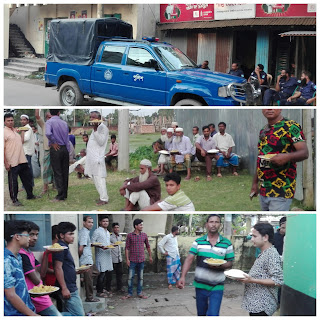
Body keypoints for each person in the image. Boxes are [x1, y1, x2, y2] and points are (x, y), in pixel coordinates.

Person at [250, 109, 308, 211]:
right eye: (266, 107)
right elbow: (260, 157)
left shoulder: (291, 126)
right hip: (264, 188)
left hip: (282, 189)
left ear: (280, 108)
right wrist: (255, 183)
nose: (269, 109)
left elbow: (304, 153)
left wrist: (287, 157)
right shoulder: (263, 130)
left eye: (273, 107)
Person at [178, 214, 235, 316]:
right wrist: (182, 276)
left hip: (217, 285)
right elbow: (189, 259)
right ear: (206, 224)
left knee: (213, 314)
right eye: (211, 222)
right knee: (201, 314)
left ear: (220, 225)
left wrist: (220, 266)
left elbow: (230, 262)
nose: (214, 224)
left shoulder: (227, 243)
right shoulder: (198, 242)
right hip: (200, 285)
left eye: (216, 222)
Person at [240, 223, 283, 316]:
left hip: (263, 306)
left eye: (254, 236)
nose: (252, 239)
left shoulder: (271, 254)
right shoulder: (265, 252)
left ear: (265, 237)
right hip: (256, 305)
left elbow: (278, 280)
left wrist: (252, 280)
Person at [19, 222, 61, 316]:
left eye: (37, 235)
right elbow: (36, 280)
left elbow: (42, 272)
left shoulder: (29, 253)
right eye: (31, 235)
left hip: (40, 296)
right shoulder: (22, 254)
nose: (35, 238)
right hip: (35, 297)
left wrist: (47, 253)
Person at [4, 220, 39, 316]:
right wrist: (33, 315)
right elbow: (11, 295)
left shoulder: (18, 257)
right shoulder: (5, 260)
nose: (30, 238)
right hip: (13, 314)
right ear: (17, 236)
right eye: (28, 235)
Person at [4, 113, 38, 206]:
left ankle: (30, 195)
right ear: (4, 122)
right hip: (12, 161)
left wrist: (22, 131)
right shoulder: (3, 132)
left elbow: (22, 141)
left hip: (22, 159)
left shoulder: (15, 131)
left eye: (12, 120)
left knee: (27, 178)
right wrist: (6, 163)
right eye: (8, 121)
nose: (11, 122)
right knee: (13, 181)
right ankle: (14, 200)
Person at [53, 221, 85, 316]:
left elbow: (65, 268)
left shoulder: (64, 246)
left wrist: (77, 272)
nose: (73, 236)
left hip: (70, 286)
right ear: (62, 235)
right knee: (79, 315)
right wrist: (64, 288)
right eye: (70, 234)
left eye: (73, 233)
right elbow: (57, 268)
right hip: (68, 288)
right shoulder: (59, 248)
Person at [123, 218, 153, 299]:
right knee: (130, 277)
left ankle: (139, 292)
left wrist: (150, 256)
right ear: (136, 226)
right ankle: (130, 293)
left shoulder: (144, 235)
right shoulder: (130, 236)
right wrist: (127, 259)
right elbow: (127, 248)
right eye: (140, 225)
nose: (142, 226)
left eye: (142, 225)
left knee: (141, 277)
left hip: (141, 260)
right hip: (132, 260)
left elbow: (148, 246)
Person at [84, 110, 109, 206]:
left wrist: (95, 129)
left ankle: (104, 198)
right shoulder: (96, 128)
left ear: (98, 119)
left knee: (100, 179)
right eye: (90, 117)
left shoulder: (103, 128)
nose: (91, 119)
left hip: (98, 158)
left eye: (93, 117)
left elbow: (101, 142)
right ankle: (101, 196)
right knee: (95, 178)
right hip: (92, 158)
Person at [45, 109, 70, 202]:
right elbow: (67, 138)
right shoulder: (64, 123)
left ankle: (60, 195)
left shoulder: (49, 122)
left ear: (50, 113)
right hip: (64, 148)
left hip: (56, 148)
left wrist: (53, 142)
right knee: (65, 172)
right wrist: (67, 150)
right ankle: (64, 194)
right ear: (59, 113)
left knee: (57, 172)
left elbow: (48, 133)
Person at [41, 225, 63, 312]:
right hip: (52, 283)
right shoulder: (50, 251)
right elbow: (46, 268)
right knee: (60, 301)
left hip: (57, 281)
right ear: (58, 236)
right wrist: (57, 271)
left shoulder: (59, 249)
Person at [91, 216, 114, 298]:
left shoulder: (107, 232)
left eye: (107, 221)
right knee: (101, 273)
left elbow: (107, 242)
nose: (105, 223)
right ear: (100, 222)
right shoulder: (97, 231)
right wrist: (101, 247)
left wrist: (112, 245)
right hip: (101, 254)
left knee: (107, 273)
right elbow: (92, 242)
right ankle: (99, 291)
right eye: (104, 221)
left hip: (108, 254)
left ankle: (103, 288)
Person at [78, 216, 99, 302]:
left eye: (92, 222)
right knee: (89, 280)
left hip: (89, 259)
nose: (91, 224)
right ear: (84, 223)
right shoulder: (83, 233)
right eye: (89, 222)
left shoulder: (86, 232)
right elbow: (81, 248)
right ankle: (89, 297)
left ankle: (83, 279)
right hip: (85, 260)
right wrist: (81, 258)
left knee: (97, 272)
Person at [35, 109, 53, 195]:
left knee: (55, 170)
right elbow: (37, 116)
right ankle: (45, 188)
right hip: (47, 150)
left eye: (51, 117)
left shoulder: (57, 124)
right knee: (46, 170)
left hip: (56, 151)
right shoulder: (44, 125)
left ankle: (55, 186)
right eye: (48, 117)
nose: (50, 119)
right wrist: (37, 107)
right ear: (46, 118)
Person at [20, 114, 35, 187]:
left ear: (27, 121)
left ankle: (27, 185)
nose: (22, 121)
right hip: (25, 151)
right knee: (28, 168)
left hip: (27, 151)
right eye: (22, 120)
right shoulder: (24, 128)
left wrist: (21, 132)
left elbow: (25, 139)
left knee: (27, 169)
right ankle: (29, 184)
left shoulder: (28, 128)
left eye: (24, 120)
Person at [110, 222, 124, 293]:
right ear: (113, 229)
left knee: (120, 274)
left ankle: (119, 288)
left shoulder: (120, 236)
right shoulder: (110, 236)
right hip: (112, 258)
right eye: (115, 227)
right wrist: (113, 244)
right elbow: (108, 245)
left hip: (119, 258)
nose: (116, 229)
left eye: (117, 227)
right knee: (110, 275)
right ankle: (109, 288)